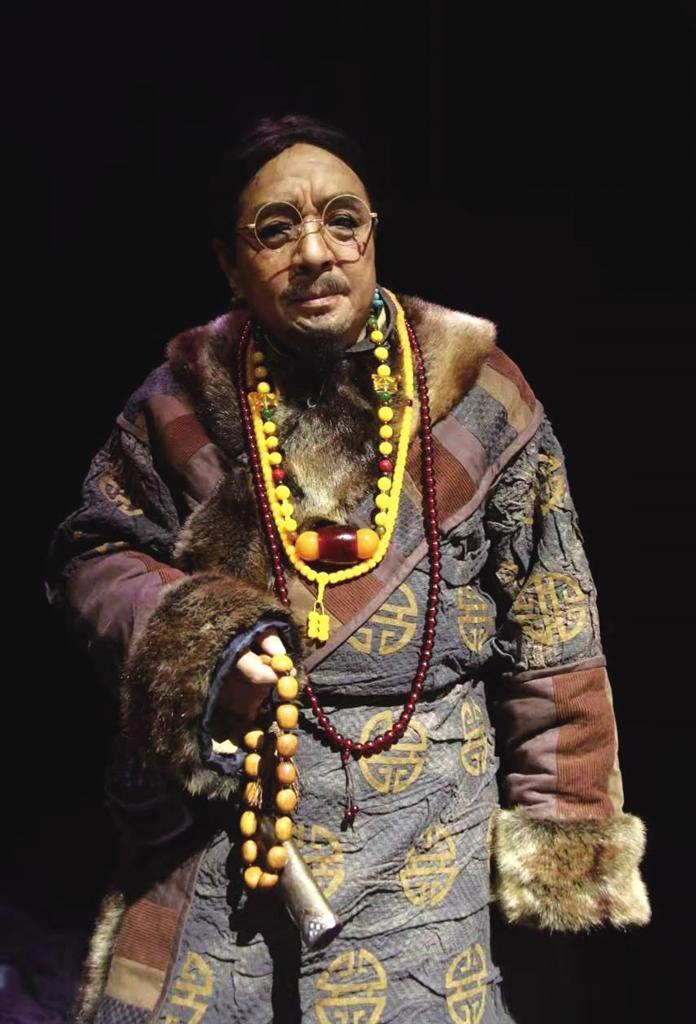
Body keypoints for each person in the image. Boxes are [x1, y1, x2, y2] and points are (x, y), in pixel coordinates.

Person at [45, 113, 651, 1024]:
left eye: (342, 220)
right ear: (229, 263)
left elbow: (554, 619)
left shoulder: (479, 391)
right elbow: (94, 553)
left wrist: (565, 836)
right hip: (230, 829)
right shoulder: (181, 396)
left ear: (373, 233)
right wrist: (205, 646)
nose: (315, 253)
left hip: (425, 845)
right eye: (276, 229)